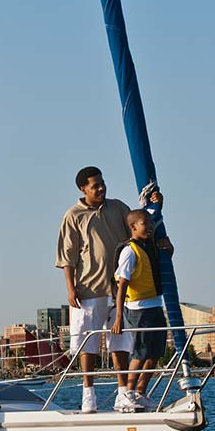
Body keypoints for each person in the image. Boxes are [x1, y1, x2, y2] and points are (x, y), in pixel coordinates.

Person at [56, 166, 171, 413]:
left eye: (102, 183)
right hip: (88, 288)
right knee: (88, 343)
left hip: (119, 289)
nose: (101, 188)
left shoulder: (118, 208)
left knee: (120, 342)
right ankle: (88, 395)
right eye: (95, 186)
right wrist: (70, 288)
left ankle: (123, 393)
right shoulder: (73, 215)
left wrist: (156, 208)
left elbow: (139, 225)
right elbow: (67, 255)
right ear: (83, 189)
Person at [113, 209, 167, 412]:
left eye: (150, 223)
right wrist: (119, 317)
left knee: (155, 352)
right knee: (140, 352)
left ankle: (140, 393)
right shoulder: (129, 251)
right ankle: (126, 394)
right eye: (145, 223)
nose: (150, 227)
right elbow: (122, 286)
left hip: (155, 305)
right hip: (139, 310)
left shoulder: (150, 246)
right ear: (133, 227)